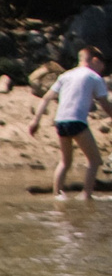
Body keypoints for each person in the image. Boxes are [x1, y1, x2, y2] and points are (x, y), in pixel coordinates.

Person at [28, 43, 108, 198]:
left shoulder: (65, 76)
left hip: (60, 122)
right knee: (95, 160)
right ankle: (86, 195)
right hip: (77, 122)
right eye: (102, 65)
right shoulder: (94, 77)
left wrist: (35, 121)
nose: (102, 70)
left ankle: (58, 195)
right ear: (95, 60)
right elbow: (105, 104)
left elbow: (46, 98)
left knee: (65, 162)